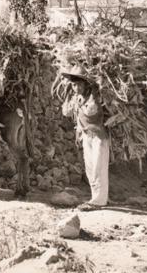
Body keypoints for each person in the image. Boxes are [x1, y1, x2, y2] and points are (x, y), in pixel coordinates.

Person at [61, 65, 110, 210]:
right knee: (89, 168)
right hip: (87, 137)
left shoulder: (94, 97)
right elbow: (66, 112)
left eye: (78, 85)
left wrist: (79, 103)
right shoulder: (77, 98)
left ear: (85, 84)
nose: (76, 88)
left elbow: (91, 111)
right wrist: (72, 100)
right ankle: (95, 198)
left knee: (98, 168)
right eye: (73, 85)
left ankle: (100, 200)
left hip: (99, 137)